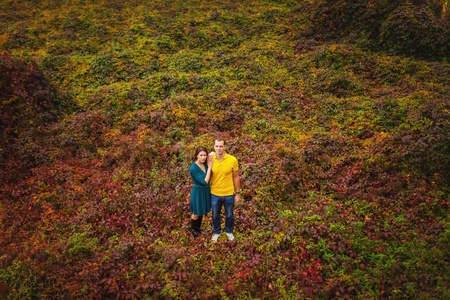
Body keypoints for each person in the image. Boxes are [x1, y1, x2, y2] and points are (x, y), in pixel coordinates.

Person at [209, 138, 241, 242]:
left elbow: (236, 177)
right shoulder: (210, 158)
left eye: (221, 146)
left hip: (228, 193)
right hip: (215, 193)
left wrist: (238, 193)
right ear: (214, 147)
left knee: (230, 214)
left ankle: (229, 231)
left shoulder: (232, 160)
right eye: (217, 146)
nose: (219, 148)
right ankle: (217, 232)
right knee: (215, 215)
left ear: (225, 147)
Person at [189, 146, 213, 238]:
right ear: (197, 156)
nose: (203, 157)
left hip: (205, 191)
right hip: (198, 192)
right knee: (196, 212)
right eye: (201, 155)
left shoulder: (205, 163)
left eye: (205, 155)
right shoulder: (193, 168)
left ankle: (198, 228)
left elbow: (212, 154)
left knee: (202, 210)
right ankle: (194, 230)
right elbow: (204, 181)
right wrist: (210, 168)